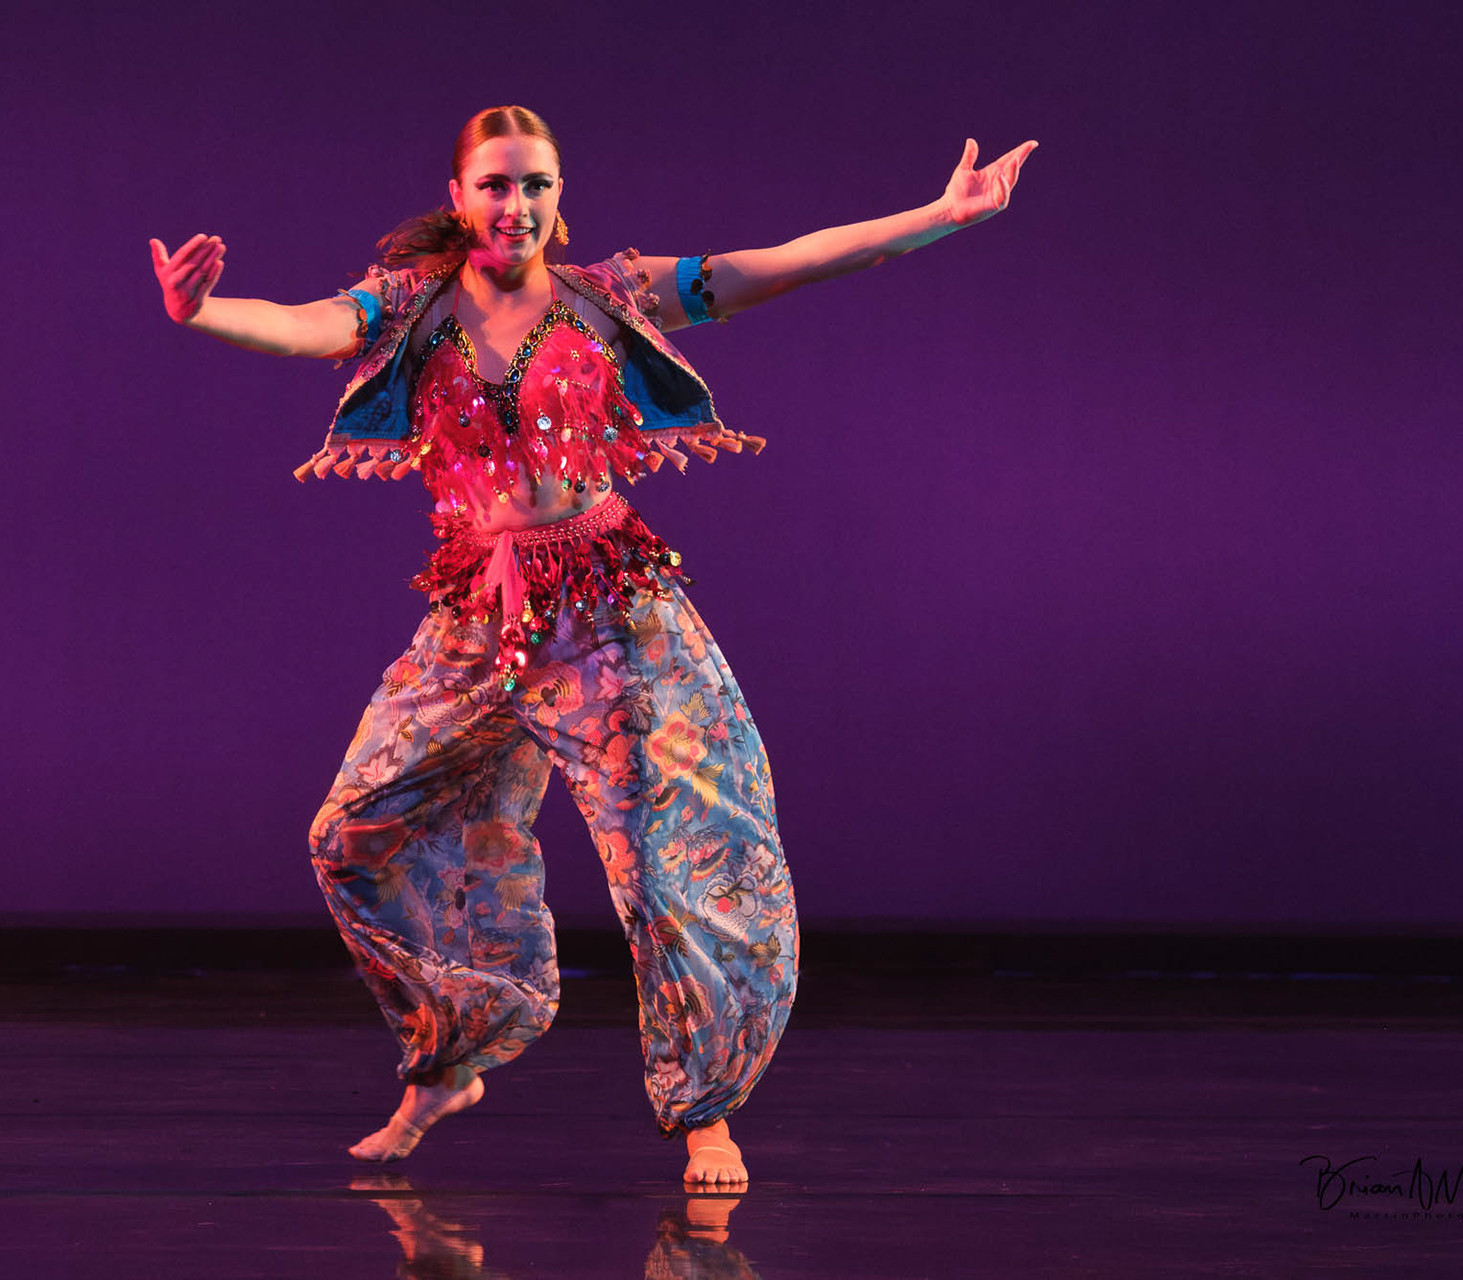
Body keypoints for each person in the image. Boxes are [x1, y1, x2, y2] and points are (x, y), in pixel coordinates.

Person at [148, 106, 1036, 1187]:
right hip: (479, 617)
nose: (515, 205)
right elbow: (303, 325)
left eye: (536, 184)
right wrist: (201, 312)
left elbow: (788, 262)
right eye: (495, 184)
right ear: (458, 196)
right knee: (351, 832)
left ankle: (708, 1111)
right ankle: (453, 1050)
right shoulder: (406, 307)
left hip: (607, 610)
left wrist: (941, 216)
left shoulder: (612, 296)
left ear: (559, 195)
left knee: (670, 859)